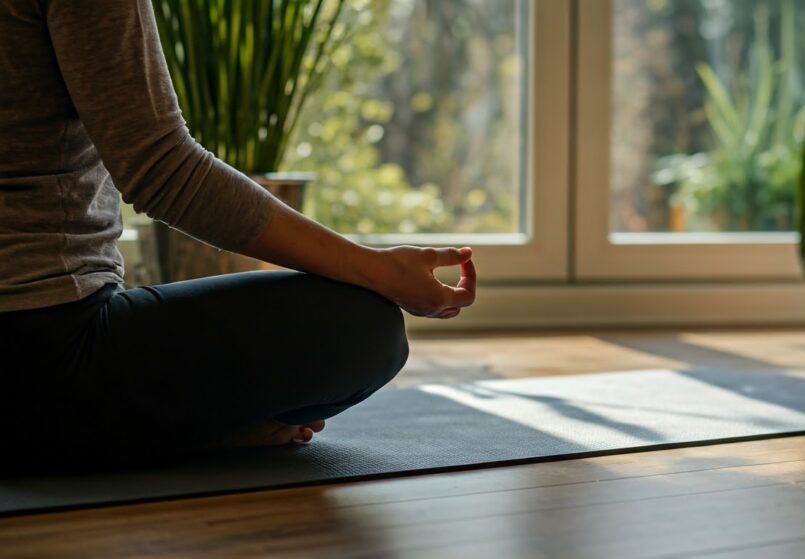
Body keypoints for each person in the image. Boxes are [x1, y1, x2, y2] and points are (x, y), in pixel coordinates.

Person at [0, 0, 476, 471]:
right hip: (39, 358)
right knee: (365, 328)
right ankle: (175, 436)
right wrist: (379, 270)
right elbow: (162, 169)